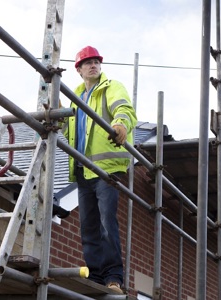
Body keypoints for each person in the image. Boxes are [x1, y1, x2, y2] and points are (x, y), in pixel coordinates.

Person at [62, 46, 137, 293]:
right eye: (88, 62)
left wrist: (120, 124)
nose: (93, 65)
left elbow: (124, 110)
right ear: (79, 69)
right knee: (89, 226)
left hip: (106, 169)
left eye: (96, 62)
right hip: (84, 170)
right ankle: (95, 277)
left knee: (107, 223)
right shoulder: (76, 96)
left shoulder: (111, 87)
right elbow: (67, 128)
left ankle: (113, 278)